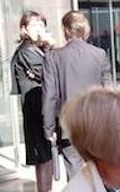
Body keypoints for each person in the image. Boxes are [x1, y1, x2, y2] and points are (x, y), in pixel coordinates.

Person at [42, 10, 113, 180]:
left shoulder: (53, 57)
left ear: (66, 30)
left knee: (74, 174)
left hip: (69, 126)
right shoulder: (99, 54)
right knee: (98, 172)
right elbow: (109, 91)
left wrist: (48, 128)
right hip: (97, 124)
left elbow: (49, 96)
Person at [11, 11, 56, 192]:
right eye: (34, 26)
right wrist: (52, 45)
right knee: (42, 153)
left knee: (46, 153)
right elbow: (49, 72)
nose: (40, 30)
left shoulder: (38, 49)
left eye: (42, 25)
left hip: (41, 105)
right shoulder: (27, 51)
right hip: (35, 107)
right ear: (24, 30)